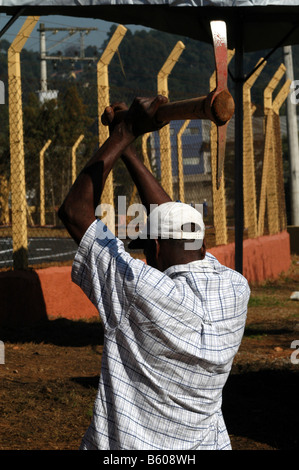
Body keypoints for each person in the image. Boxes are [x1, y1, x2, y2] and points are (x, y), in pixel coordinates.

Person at [58, 95, 250, 451]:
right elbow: (171, 220)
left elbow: (74, 212)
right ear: (202, 247)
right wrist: (127, 146)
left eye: (147, 251)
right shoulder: (235, 288)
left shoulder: (140, 291)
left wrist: (127, 132)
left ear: (155, 250)